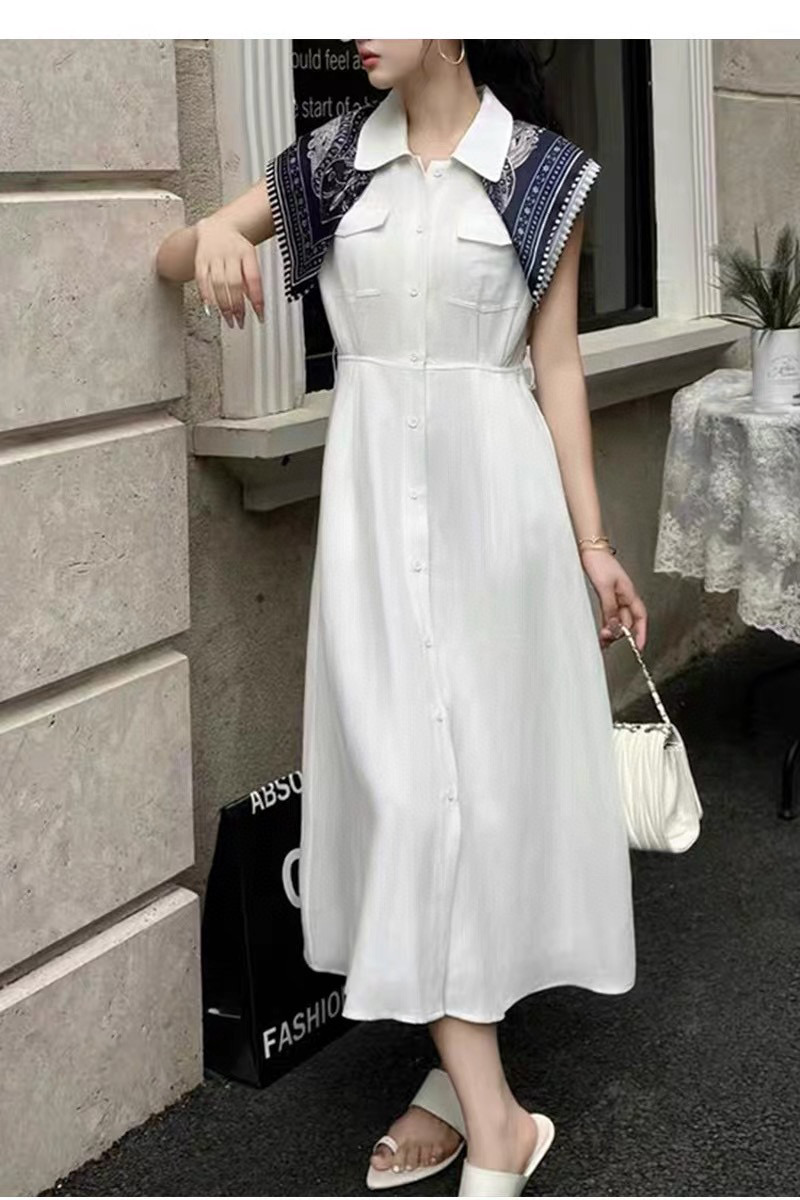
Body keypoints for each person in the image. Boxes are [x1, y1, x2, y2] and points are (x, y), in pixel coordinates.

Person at [157, 38, 648, 1198]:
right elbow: (176, 255)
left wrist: (590, 545)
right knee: (407, 798)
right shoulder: (333, 163)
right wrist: (212, 235)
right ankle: (497, 1119)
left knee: (479, 800)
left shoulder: (543, 174)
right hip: (377, 535)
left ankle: (463, 1094)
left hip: (500, 527)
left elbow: (556, 366)